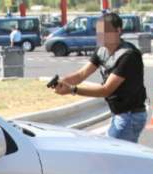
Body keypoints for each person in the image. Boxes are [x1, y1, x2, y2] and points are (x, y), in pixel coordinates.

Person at [54, 12, 147, 143]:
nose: (100, 35)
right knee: (120, 159)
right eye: (98, 31)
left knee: (114, 159)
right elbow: (81, 74)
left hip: (130, 116)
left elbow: (106, 90)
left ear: (118, 31)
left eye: (105, 31)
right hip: (120, 114)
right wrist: (62, 82)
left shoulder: (128, 56)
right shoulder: (102, 50)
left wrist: (73, 90)